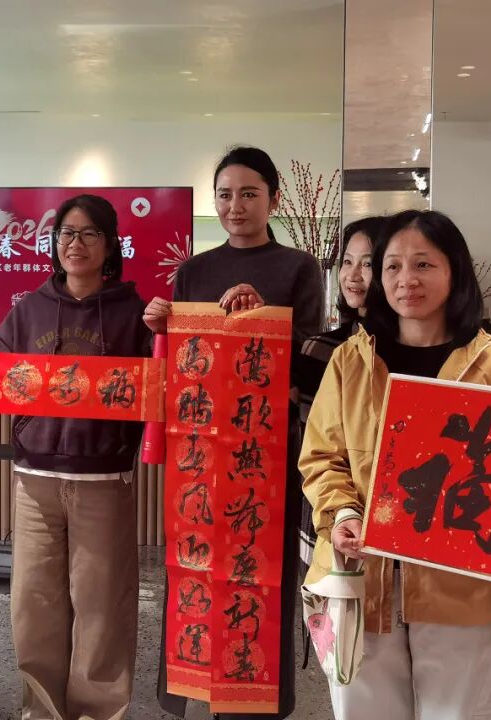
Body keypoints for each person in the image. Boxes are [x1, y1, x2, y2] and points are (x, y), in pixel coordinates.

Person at [299, 209, 491, 720]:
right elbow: (322, 457)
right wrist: (342, 513)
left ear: (455, 271)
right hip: (360, 571)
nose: (406, 279)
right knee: (363, 708)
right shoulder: (352, 359)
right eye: (392, 266)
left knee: (461, 710)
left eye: (423, 264)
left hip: (458, 580)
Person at [144, 145, 324, 720]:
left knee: (259, 574)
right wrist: (159, 328)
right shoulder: (194, 271)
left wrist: (260, 323)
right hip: (199, 450)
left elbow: (311, 361)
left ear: (274, 199)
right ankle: (193, 687)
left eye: (249, 194)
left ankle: (255, 702)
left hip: (264, 451)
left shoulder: (298, 268)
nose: (235, 206)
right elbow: (184, 364)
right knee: (195, 569)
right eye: (224, 195)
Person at [0, 194, 151, 720]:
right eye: (65, 233)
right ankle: (40, 711)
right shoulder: (28, 311)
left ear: (110, 245)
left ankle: (98, 713)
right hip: (33, 479)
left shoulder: (135, 314)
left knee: (102, 605)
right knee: (33, 606)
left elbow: (160, 387)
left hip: (104, 478)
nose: (75, 244)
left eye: (88, 233)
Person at [295, 215, 383, 568]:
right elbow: (315, 445)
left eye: (368, 264)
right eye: (347, 262)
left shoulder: (402, 353)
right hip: (330, 506)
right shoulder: (321, 349)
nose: (353, 275)